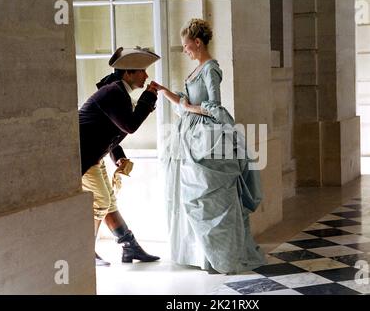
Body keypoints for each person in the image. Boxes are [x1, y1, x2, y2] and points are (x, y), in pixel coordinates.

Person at [151, 19, 267, 274]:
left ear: (198, 42)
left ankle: (219, 255)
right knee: (188, 194)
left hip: (206, 134)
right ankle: (199, 253)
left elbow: (215, 104)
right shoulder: (197, 69)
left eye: (186, 45)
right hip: (189, 133)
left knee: (206, 193)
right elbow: (185, 100)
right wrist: (163, 91)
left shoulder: (210, 68)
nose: (184, 50)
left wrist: (189, 108)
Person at [79, 46, 161, 266]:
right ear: (128, 73)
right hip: (83, 157)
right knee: (102, 202)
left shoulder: (118, 91)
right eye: (142, 71)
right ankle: (84, 252)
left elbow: (112, 129)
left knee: (110, 202)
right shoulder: (114, 91)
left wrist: (118, 157)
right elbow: (130, 126)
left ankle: (129, 247)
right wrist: (149, 97)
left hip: (96, 155)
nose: (146, 76)